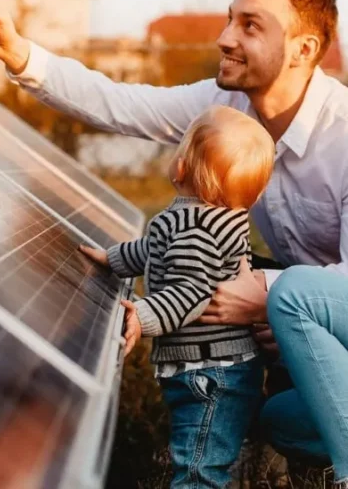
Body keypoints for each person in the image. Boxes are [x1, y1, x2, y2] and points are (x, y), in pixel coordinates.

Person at [0, 0, 348, 487]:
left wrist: (267, 295)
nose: (225, 38)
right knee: (282, 420)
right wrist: (19, 53)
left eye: (250, 26)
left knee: (290, 289)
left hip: (321, 303)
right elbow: (123, 105)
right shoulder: (228, 106)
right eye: (230, 19)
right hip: (312, 324)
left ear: (304, 50)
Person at [80, 105, 275, 488]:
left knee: (199, 467)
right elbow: (154, 249)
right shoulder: (202, 218)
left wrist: (144, 315)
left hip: (210, 372)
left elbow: (190, 292)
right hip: (217, 368)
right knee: (202, 452)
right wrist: (113, 258)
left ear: (181, 167)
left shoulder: (196, 230)